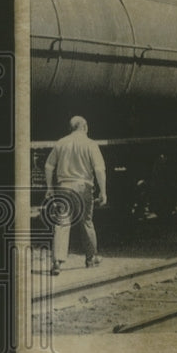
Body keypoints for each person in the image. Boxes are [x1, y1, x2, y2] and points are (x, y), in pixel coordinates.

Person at [44, 116, 106, 275]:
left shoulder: (61, 142)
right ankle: (91, 258)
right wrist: (103, 191)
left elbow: (48, 166)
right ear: (85, 127)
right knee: (86, 221)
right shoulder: (91, 144)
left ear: (71, 128)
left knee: (62, 223)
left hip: (64, 187)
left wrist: (50, 188)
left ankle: (57, 261)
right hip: (83, 187)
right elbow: (99, 170)